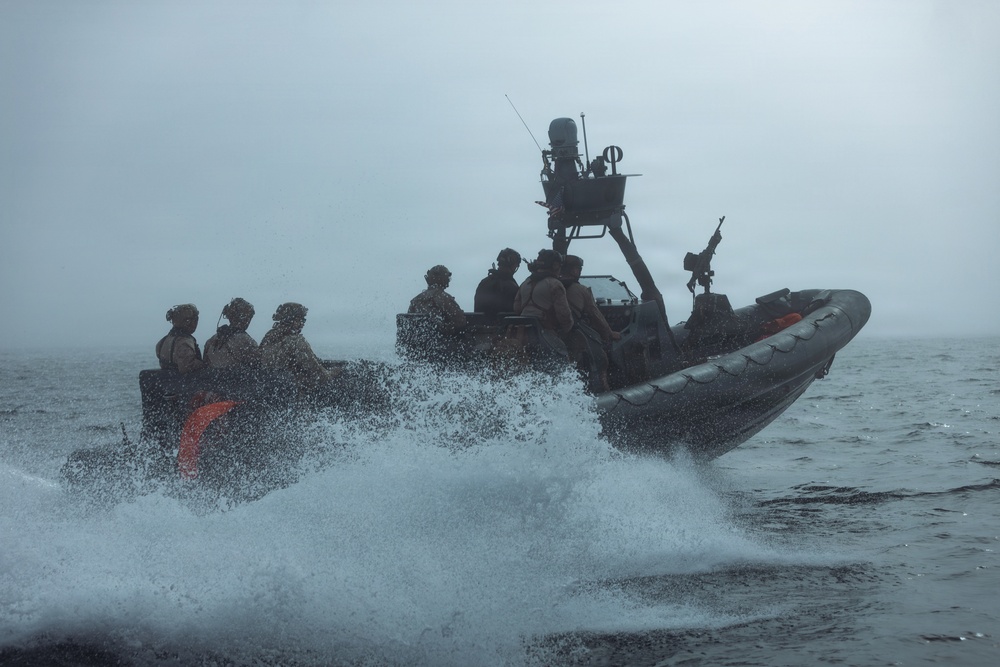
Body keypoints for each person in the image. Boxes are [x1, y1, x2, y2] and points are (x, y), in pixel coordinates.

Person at [561, 255, 621, 392]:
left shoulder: (550, 285)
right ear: (573, 270)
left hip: (551, 332)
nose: (579, 271)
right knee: (601, 358)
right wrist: (610, 333)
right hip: (571, 333)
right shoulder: (580, 290)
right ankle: (603, 388)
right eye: (578, 268)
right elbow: (595, 315)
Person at [259, 302, 340, 390]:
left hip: (268, 385)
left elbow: (315, 361)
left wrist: (336, 363)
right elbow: (318, 373)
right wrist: (334, 373)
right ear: (289, 320)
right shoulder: (296, 341)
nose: (303, 323)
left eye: (303, 320)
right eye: (299, 320)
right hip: (289, 388)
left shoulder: (270, 335)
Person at [512, 249, 573, 336]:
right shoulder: (555, 284)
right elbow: (564, 315)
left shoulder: (525, 283)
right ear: (555, 266)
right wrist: (566, 330)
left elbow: (516, 308)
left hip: (521, 332)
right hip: (544, 334)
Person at [408, 265, 467, 334]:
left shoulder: (416, 300)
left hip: (418, 343)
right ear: (443, 279)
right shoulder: (445, 298)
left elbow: (409, 323)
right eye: (448, 278)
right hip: (443, 342)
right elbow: (460, 322)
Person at [204, 297, 261, 369]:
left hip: (212, 379)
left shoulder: (211, 341)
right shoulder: (246, 341)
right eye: (248, 316)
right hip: (237, 379)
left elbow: (205, 364)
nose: (248, 321)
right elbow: (258, 365)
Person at [156, 304, 206, 374]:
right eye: (195, 320)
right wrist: (205, 364)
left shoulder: (162, 342)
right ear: (187, 321)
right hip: (182, 383)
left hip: (168, 382)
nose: (196, 323)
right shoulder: (184, 342)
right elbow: (186, 367)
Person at [473, 248, 521, 319]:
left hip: (481, 327)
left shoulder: (484, 283)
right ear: (513, 265)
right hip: (504, 328)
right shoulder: (512, 287)